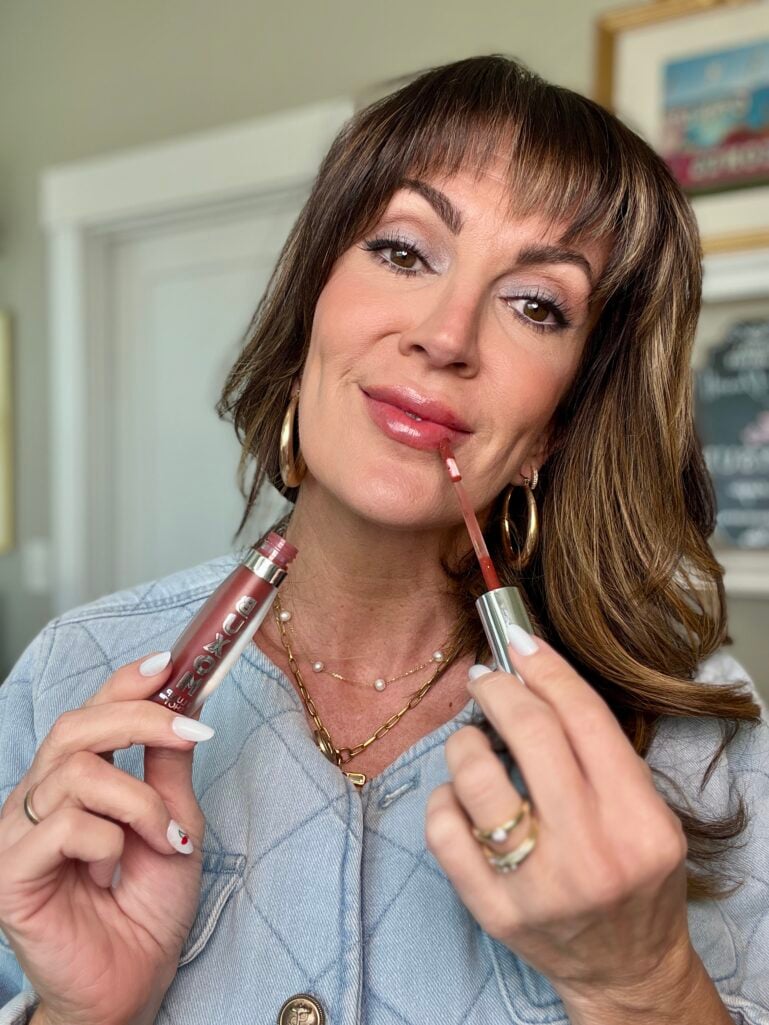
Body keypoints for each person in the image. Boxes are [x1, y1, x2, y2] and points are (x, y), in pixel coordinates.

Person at [0, 54, 767, 1025]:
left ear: (561, 420)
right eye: (404, 252)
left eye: (536, 305)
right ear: (311, 303)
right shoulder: (70, 671)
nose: (447, 335)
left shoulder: (695, 733)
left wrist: (642, 985)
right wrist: (78, 1014)